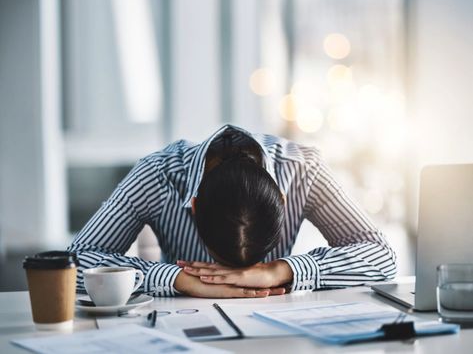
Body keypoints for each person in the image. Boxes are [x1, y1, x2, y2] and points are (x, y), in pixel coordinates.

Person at [68, 124, 397, 298]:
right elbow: (71, 264)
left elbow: (382, 256)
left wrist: (280, 271)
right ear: (193, 207)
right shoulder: (157, 175)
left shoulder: (302, 170)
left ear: (281, 201)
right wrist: (178, 280)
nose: (237, 281)